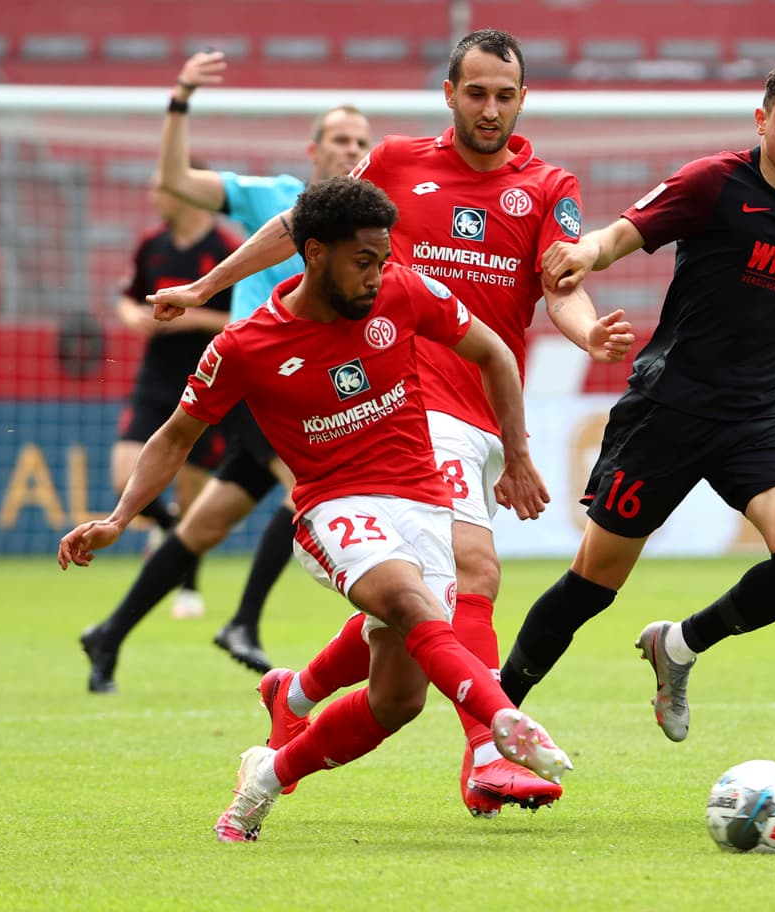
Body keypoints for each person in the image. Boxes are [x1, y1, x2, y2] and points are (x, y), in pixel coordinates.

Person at [149, 29, 633, 817]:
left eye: (504, 95)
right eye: (475, 92)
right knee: (474, 572)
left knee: (411, 619)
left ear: (522, 99)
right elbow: (298, 224)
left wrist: (586, 336)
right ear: (450, 93)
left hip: (486, 404)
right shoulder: (401, 162)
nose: (489, 108)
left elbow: (562, 280)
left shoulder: (549, 185)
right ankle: (488, 752)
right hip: (415, 401)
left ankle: (295, 690)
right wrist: (207, 284)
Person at [59, 176, 572, 843]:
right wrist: (120, 517)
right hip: (333, 506)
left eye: (382, 259)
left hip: (420, 501)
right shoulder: (246, 346)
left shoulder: (402, 290)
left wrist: (519, 453)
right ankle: (500, 722)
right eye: (363, 260)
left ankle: (267, 775)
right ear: (313, 252)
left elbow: (495, 354)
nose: (376, 274)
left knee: (397, 702)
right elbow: (175, 436)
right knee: (408, 601)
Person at [492, 58, 775, 743]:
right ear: (761, 120)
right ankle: (494, 712)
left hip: (754, 413)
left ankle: (678, 646)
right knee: (593, 584)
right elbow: (624, 232)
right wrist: (585, 254)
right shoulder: (714, 182)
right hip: (668, 408)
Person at [78, 50, 374, 691]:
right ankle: (243, 622)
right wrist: (181, 98)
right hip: (253, 377)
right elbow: (178, 179)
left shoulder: (368, 225)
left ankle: (108, 633)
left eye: (361, 141)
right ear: (315, 149)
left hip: (305, 389)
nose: (351, 149)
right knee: (310, 488)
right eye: (340, 140)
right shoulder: (273, 198)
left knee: (201, 528)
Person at [111, 165, 239, 620]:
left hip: (208, 379)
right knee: (124, 476)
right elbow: (128, 297)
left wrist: (194, 317)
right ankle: (164, 531)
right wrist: (132, 318)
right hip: (156, 375)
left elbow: (245, 319)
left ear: (187, 192)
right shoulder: (152, 244)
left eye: (159, 188)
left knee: (190, 497)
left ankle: (189, 586)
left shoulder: (227, 249)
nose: (153, 196)